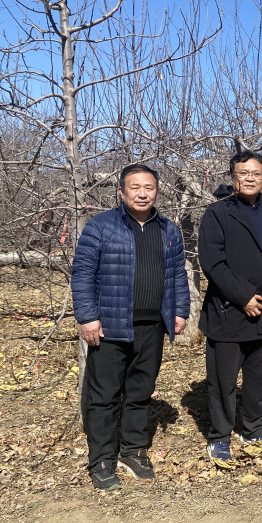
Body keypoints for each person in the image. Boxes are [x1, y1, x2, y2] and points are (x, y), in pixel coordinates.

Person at [71, 163, 190, 491]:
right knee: (105, 396)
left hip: (152, 325)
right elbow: (82, 273)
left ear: (156, 191)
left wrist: (180, 311)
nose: (142, 193)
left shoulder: (168, 229)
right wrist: (87, 317)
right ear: (122, 191)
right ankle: (101, 460)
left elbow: (177, 275)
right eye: (135, 187)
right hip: (109, 326)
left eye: (148, 187)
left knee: (140, 391)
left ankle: (133, 450)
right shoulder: (101, 226)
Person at [198, 150, 262, 461]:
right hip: (228, 310)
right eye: (243, 173)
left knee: (259, 377)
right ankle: (220, 436)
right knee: (223, 381)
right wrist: (243, 296)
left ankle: (254, 427)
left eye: (256, 173)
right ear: (232, 178)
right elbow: (213, 263)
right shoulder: (218, 213)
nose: (250, 178)